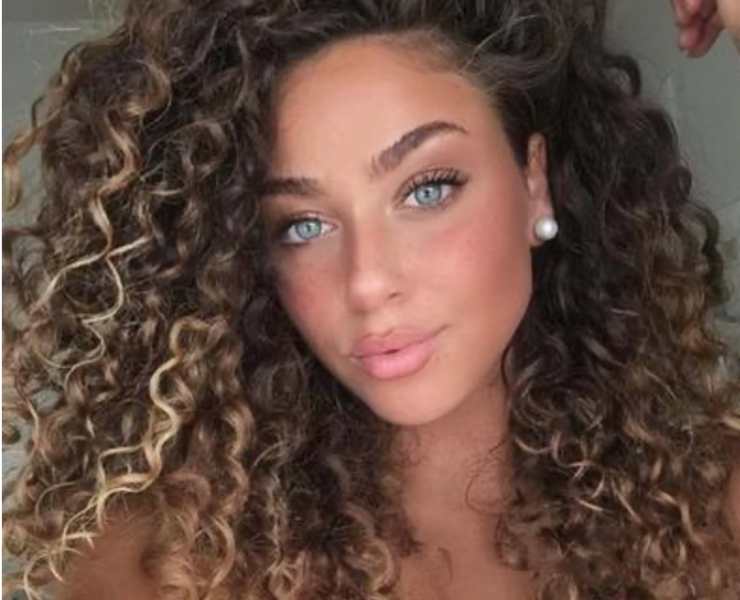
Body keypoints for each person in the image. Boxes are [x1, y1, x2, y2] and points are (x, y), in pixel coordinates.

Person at [2, 1, 740, 599]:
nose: (367, 280)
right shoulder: (169, 567)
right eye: (303, 225)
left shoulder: (706, 506)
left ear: (534, 179)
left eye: (427, 189)